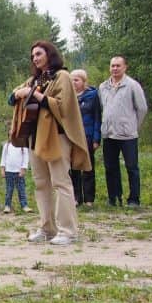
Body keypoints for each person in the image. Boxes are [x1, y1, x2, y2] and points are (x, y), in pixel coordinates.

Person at [11, 41, 90, 246]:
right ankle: (47, 228)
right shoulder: (35, 79)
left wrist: (35, 95)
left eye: (39, 54)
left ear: (49, 54)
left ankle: (68, 230)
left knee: (60, 182)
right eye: (33, 56)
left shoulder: (62, 76)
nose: (35, 58)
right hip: (36, 136)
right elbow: (13, 97)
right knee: (40, 183)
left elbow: (63, 106)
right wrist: (19, 93)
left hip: (57, 136)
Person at [99, 56, 148, 207]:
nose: (115, 68)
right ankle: (114, 197)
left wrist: (133, 126)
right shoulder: (103, 87)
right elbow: (103, 107)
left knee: (132, 167)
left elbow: (142, 108)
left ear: (125, 67)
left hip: (128, 135)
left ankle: (134, 199)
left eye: (118, 66)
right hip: (109, 134)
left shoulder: (132, 85)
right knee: (110, 168)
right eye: (112, 66)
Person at [69, 70, 101, 206]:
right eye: (72, 80)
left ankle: (89, 199)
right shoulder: (68, 97)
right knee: (74, 168)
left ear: (84, 81)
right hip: (72, 137)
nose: (74, 83)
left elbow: (97, 118)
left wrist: (96, 138)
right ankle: (77, 198)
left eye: (76, 80)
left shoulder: (92, 96)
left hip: (87, 136)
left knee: (88, 168)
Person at [0, 136, 31, 214]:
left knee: (21, 190)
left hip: (19, 172)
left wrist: (23, 169)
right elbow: (3, 159)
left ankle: (24, 205)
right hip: (8, 171)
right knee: (9, 190)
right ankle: (7, 206)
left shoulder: (23, 146)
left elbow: (25, 158)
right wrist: (2, 169)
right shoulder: (6, 146)